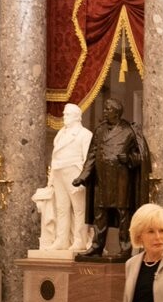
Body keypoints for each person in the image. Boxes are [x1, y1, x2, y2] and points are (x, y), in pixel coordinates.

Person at [73, 97, 151, 261]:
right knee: (100, 214)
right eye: (105, 108)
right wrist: (83, 176)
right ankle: (96, 247)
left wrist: (129, 158)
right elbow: (92, 155)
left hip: (121, 180)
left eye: (108, 109)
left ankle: (125, 248)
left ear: (116, 113)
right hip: (102, 180)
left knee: (123, 213)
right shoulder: (99, 130)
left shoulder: (129, 131)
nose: (105, 111)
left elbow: (142, 157)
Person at [41, 103, 92, 251]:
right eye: (64, 114)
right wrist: (51, 178)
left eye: (67, 114)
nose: (64, 116)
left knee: (79, 209)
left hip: (74, 172)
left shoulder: (84, 134)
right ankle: (61, 240)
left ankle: (80, 240)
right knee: (61, 208)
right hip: (59, 171)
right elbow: (54, 157)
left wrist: (84, 179)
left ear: (76, 116)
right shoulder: (60, 133)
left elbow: (87, 159)